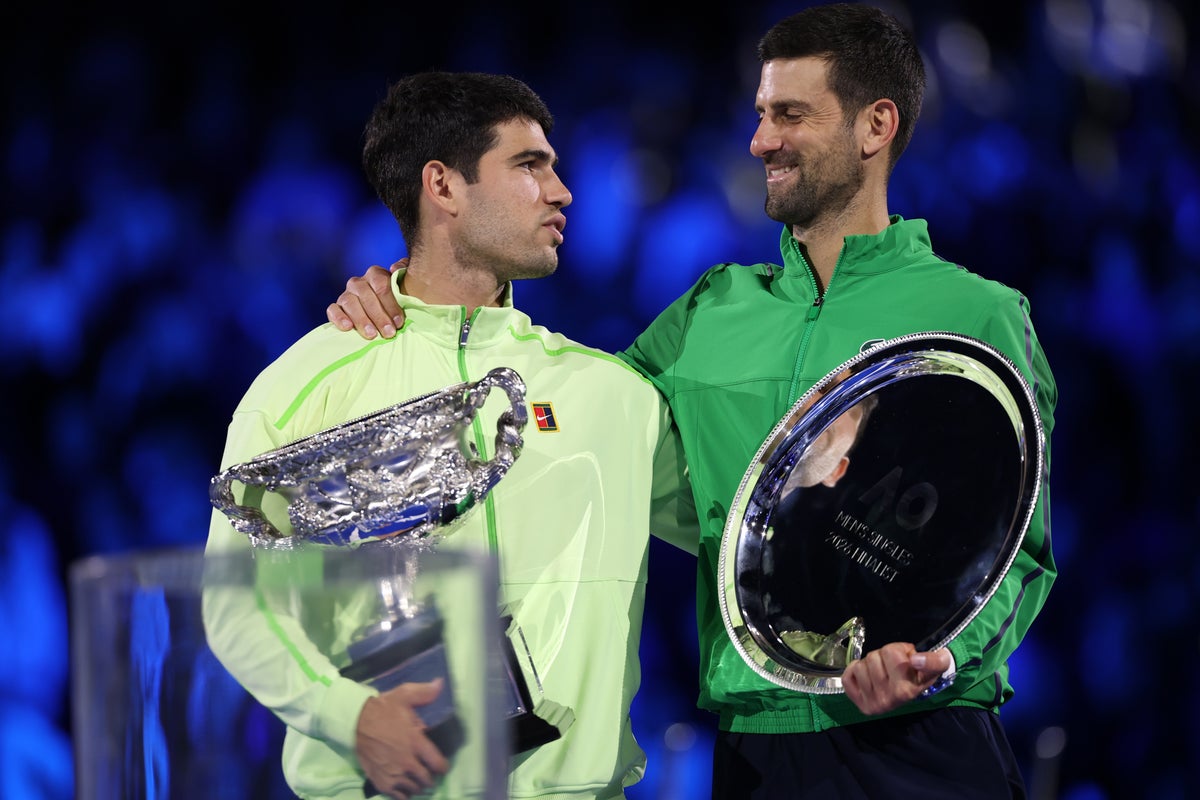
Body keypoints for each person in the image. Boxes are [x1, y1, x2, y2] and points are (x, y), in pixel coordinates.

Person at [327, 5, 1057, 798]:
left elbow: (1018, 547)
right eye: (759, 114)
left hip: (924, 742)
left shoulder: (978, 315)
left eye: (790, 115)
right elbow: (563, 421)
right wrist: (417, 300)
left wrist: (941, 658)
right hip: (756, 753)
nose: (761, 140)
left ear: (875, 125)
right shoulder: (710, 310)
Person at [206, 70, 697, 800]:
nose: (562, 192)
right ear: (443, 186)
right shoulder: (309, 383)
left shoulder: (613, 394)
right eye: (530, 166)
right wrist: (353, 717)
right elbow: (233, 598)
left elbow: (743, 539)